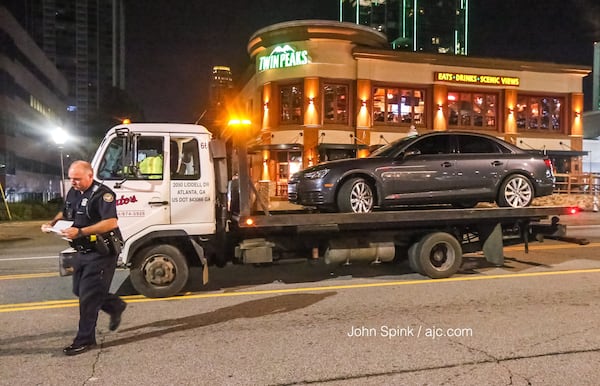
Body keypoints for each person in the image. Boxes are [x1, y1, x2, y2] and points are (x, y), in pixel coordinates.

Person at [42, 160, 127, 356]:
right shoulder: (74, 192)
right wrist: (52, 223)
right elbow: (65, 211)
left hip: (101, 251)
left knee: (88, 297)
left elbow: (111, 222)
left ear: (90, 175)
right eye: (71, 179)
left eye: (78, 179)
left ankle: (85, 339)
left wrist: (80, 231)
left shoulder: (103, 194)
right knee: (79, 290)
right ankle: (115, 306)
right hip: (82, 251)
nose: (73, 182)